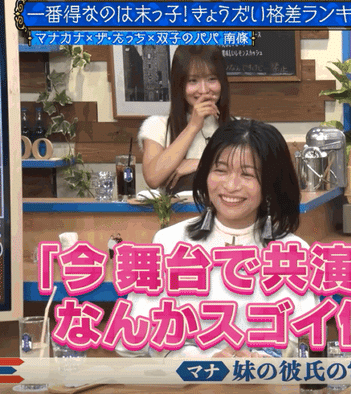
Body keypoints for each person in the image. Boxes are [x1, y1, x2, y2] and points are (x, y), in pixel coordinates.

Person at [117, 119, 319, 358]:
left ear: (271, 183)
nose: (231, 186)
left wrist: (264, 360)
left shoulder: (293, 250)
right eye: (221, 170)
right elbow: (133, 340)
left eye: (247, 174)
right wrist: (203, 359)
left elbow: (303, 340)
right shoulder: (169, 242)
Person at [138, 45, 232, 193]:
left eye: (212, 79)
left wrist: (200, 164)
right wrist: (193, 126)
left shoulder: (237, 128)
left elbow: (249, 171)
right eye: (193, 81)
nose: (204, 90)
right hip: (174, 208)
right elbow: (153, 178)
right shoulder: (156, 125)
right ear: (179, 85)